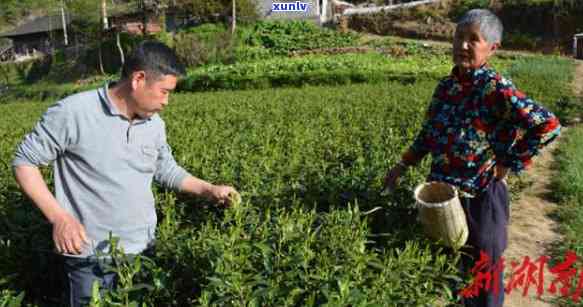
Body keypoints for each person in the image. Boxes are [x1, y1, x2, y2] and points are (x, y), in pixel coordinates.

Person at [12, 41, 240, 306]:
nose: (167, 102)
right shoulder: (73, 112)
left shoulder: (154, 124)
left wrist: (209, 189)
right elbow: (24, 161)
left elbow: (165, 169)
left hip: (142, 250)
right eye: (164, 92)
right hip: (91, 257)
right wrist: (59, 218)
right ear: (138, 79)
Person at [382, 9, 561, 307]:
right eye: (459, 37)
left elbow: (548, 125)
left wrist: (510, 161)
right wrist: (402, 165)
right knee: (453, 272)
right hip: (442, 195)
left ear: (492, 48)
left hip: (481, 195)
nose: (463, 45)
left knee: (484, 272)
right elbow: (428, 134)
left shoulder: (495, 88)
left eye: (473, 39)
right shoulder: (446, 87)